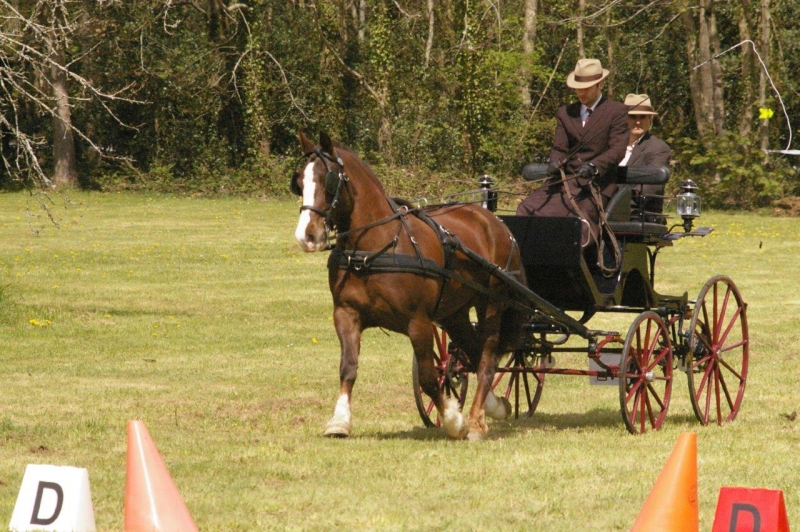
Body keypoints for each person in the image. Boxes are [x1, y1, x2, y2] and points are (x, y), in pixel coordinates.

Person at [517, 58, 628, 270]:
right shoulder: (565, 113)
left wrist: (594, 166)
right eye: (578, 89)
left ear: (600, 85)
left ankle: (574, 268)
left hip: (596, 186)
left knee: (577, 219)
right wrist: (554, 163)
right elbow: (559, 148)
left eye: (586, 88)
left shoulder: (617, 112)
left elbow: (617, 150)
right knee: (527, 207)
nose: (581, 93)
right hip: (563, 182)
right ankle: (530, 265)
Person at [618, 93, 671, 221]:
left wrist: (613, 196)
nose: (638, 121)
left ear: (649, 120)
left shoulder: (658, 148)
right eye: (632, 117)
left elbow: (651, 188)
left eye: (643, 117)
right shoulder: (612, 145)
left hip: (640, 214)